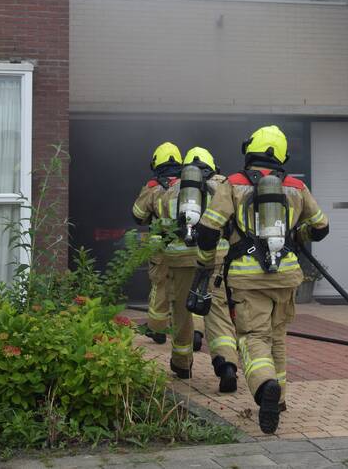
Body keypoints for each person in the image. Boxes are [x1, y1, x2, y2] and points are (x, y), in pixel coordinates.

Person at [192, 125, 329, 433]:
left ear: (249, 150)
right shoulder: (296, 186)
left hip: (247, 278)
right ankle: (279, 399)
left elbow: (208, 230)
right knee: (277, 336)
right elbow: (321, 228)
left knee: (254, 337)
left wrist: (205, 264)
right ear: (282, 155)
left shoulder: (233, 184)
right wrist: (298, 236)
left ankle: (265, 385)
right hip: (286, 276)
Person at [182, 146, 239, 393]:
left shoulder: (180, 188)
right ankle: (227, 365)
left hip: (189, 256)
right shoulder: (226, 185)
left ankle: (191, 345)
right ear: (213, 166)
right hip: (223, 256)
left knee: (188, 303)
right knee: (221, 311)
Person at [131, 142, 180, 346]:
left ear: (156, 163)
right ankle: (196, 332)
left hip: (161, 248)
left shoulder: (153, 187)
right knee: (187, 288)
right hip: (187, 247)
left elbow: (138, 215)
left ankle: (157, 330)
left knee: (160, 287)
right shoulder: (190, 185)